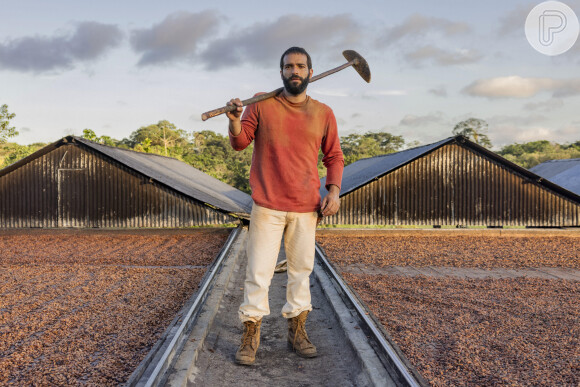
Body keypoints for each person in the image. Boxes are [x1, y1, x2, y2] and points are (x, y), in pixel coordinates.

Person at [226, 46, 344, 366]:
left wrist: (333, 191)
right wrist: (235, 120)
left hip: (307, 207)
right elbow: (240, 142)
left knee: (301, 272)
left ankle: (297, 332)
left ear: (310, 72)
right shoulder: (262, 103)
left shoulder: (323, 112)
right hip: (268, 205)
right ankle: (251, 334)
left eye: (300, 66)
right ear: (281, 72)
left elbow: (334, 156)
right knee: (258, 272)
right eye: (289, 66)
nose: (295, 71)